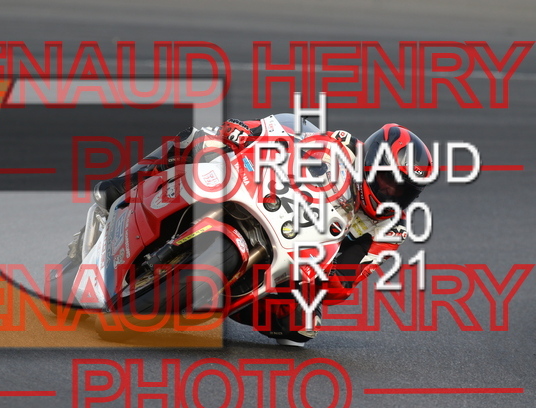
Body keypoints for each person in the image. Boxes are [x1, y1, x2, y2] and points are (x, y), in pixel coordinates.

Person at [79, 116, 434, 346]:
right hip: (276, 199)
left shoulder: (389, 231)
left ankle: (201, 298)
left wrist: (332, 276)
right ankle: (124, 183)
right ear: (370, 162)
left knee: (300, 326)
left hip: (303, 255)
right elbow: (287, 132)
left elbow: (345, 282)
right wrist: (247, 132)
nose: (389, 192)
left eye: (401, 191)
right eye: (386, 180)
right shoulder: (339, 147)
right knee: (199, 139)